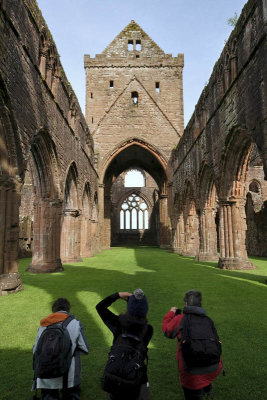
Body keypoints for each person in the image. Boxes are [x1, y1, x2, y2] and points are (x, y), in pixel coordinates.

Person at [162, 290, 223, 400]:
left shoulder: (180, 319)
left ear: (185, 303)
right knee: (204, 374)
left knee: (193, 391)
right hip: (215, 365)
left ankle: (198, 393)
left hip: (191, 370)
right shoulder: (208, 319)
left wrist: (171, 313)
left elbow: (167, 332)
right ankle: (207, 389)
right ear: (200, 303)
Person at [96, 289, 153, 400]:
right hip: (135, 373)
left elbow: (100, 307)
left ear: (129, 308)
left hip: (117, 371)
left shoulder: (118, 323)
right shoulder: (148, 330)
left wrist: (117, 295)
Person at [32, 297, 89, 400]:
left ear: (53, 310)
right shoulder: (75, 323)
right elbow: (85, 349)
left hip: (45, 373)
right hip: (68, 375)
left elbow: (35, 350)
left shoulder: (43, 324)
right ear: (68, 309)